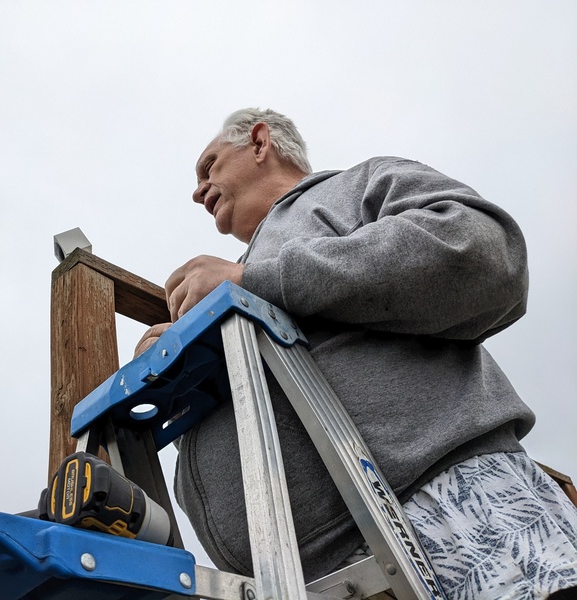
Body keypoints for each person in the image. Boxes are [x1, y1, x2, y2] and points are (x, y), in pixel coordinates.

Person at [135, 108, 577, 599]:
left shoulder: (350, 190)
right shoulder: (231, 282)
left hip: (443, 505)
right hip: (310, 581)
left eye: (209, 166)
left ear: (260, 143)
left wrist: (254, 280)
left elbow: (480, 249)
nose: (198, 189)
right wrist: (179, 359)